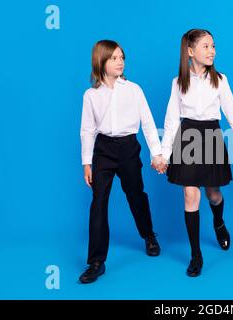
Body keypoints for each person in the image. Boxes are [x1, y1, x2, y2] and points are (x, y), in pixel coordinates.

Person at [154, 29, 233, 277]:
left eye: (213, 46)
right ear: (190, 51)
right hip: (187, 137)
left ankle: (219, 222)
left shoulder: (220, 79)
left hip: (211, 137)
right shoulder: (178, 82)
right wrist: (163, 154)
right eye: (206, 46)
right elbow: (171, 121)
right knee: (191, 196)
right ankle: (196, 255)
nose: (212, 51)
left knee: (213, 195)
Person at [79, 40, 163, 283]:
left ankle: (148, 235)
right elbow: (87, 129)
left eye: (122, 58)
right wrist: (87, 162)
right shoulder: (91, 95)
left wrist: (156, 153)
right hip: (103, 150)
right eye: (114, 58)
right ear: (101, 61)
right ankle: (96, 261)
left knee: (136, 194)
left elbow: (147, 122)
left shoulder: (134, 89)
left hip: (128, 147)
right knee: (98, 202)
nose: (120, 62)